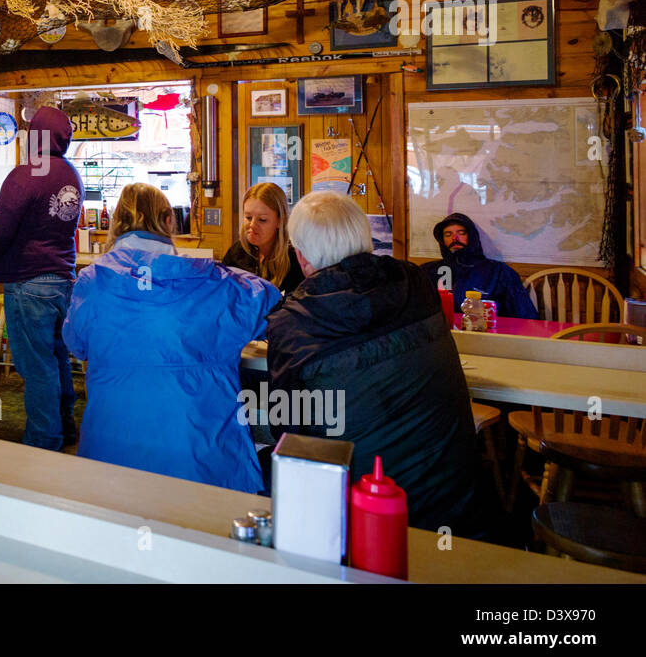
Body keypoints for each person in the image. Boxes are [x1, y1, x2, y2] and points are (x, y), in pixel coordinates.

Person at [265, 191, 483, 532]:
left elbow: (290, 436)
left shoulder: (293, 323)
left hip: (364, 519)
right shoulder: (415, 282)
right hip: (460, 501)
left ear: (301, 257)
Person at [63, 184, 280, 491]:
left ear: (117, 222)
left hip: (112, 451)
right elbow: (272, 303)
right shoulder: (217, 283)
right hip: (200, 456)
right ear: (168, 221)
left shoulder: (91, 281)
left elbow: (76, 343)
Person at [0, 106, 83, 451]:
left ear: (36, 134)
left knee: (37, 366)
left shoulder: (27, 174)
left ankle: (44, 440)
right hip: (63, 281)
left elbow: (0, 230)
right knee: (57, 359)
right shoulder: (70, 173)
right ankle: (65, 427)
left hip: (29, 282)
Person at [419, 212, 538, 319]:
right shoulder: (430, 271)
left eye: (461, 233)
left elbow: (525, 315)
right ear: (442, 240)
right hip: (441, 335)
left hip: (485, 335)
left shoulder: (498, 272)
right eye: (448, 234)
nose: (455, 238)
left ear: (472, 236)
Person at [222, 182, 305, 294]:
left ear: (280, 221)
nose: (252, 225)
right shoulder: (236, 253)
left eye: (262, 220)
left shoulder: (295, 259)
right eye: (248, 217)